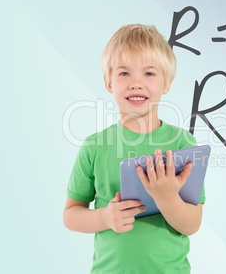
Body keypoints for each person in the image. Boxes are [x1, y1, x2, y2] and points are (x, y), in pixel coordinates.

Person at [63, 24, 205, 273]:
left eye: (149, 74)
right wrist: (105, 217)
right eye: (124, 73)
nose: (136, 83)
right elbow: (71, 215)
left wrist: (167, 198)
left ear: (167, 83)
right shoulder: (95, 146)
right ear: (108, 82)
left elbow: (192, 224)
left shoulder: (184, 146)